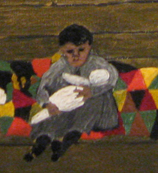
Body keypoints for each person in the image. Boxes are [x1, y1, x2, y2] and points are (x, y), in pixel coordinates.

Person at [24, 24, 119, 163]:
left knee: (97, 98)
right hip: (70, 112)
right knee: (55, 113)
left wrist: (93, 91)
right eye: (70, 51)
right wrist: (47, 104)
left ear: (89, 47)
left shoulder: (97, 63)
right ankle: (43, 140)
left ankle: (69, 138)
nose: (76, 55)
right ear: (62, 51)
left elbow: (112, 77)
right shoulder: (60, 66)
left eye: (81, 50)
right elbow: (43, 87)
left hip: (99, 115)